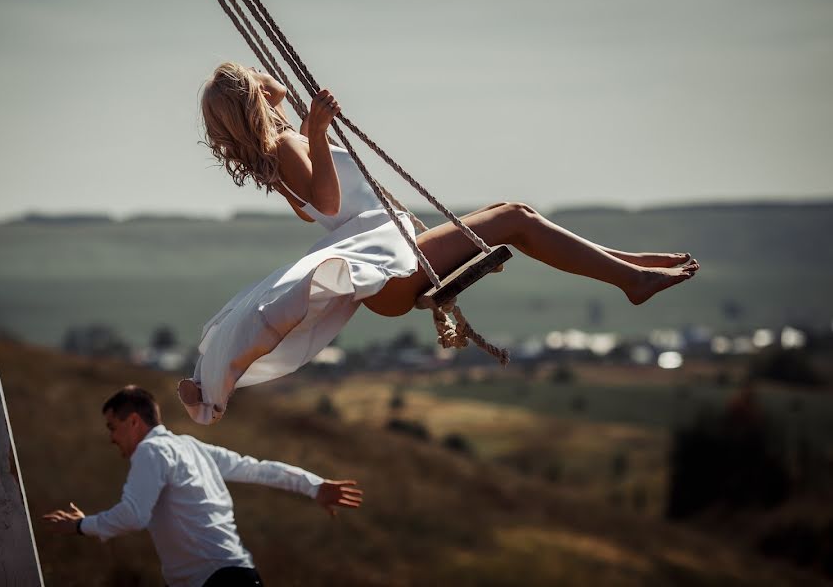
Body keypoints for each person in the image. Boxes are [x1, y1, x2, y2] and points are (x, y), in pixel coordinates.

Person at [179, 62, 700, 424]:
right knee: (514, 214)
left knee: (517, 218)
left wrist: (280, 107)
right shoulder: (291, 145)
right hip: (387, 262)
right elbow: (332, 205)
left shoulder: (272, 161)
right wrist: (316, 132)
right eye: (252, 81)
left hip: (388, 257)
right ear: (250, 99)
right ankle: (630, 279)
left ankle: (626, 267)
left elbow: (278, 98)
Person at [42, 386, 363, 587]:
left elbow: (134, 515)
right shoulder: (190, 448)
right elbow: (258, 469)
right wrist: (314, 485)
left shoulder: (151, 451)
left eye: (113, 427)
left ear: (134, 422)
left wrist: (82, 526)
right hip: (236, 576)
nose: (111, 437)